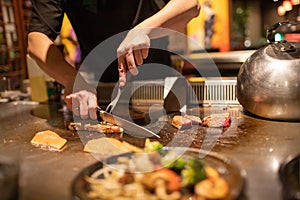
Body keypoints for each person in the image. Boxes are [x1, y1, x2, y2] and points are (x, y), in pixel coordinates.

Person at [27, 0, 201, 120]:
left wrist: (143, 30)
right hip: (97, 90)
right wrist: (71, 79)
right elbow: (36, 39)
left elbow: (191, 5)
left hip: (161, 89)